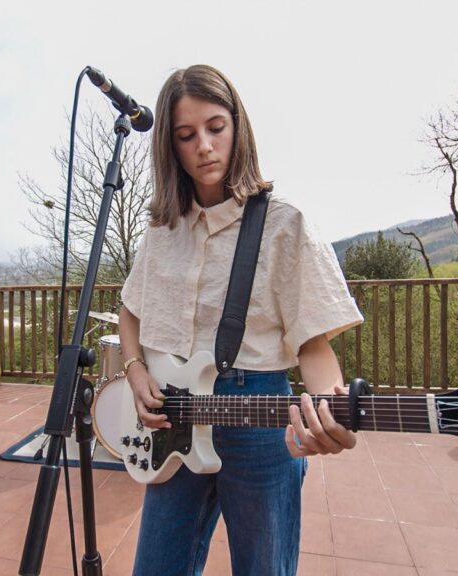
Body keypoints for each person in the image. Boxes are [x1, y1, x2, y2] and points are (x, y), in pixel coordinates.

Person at [118, 65, 364, 576]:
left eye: (216, 127)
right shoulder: (162, 228)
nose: (204, 146)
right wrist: (135, 371)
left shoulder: (284, 222)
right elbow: (130, 310)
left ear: (238, 128)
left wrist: (328, 412)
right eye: (186, 135)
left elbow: (314, 346)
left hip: (257, 418)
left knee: (263, 567)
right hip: (171, 418)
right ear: (170, 145)